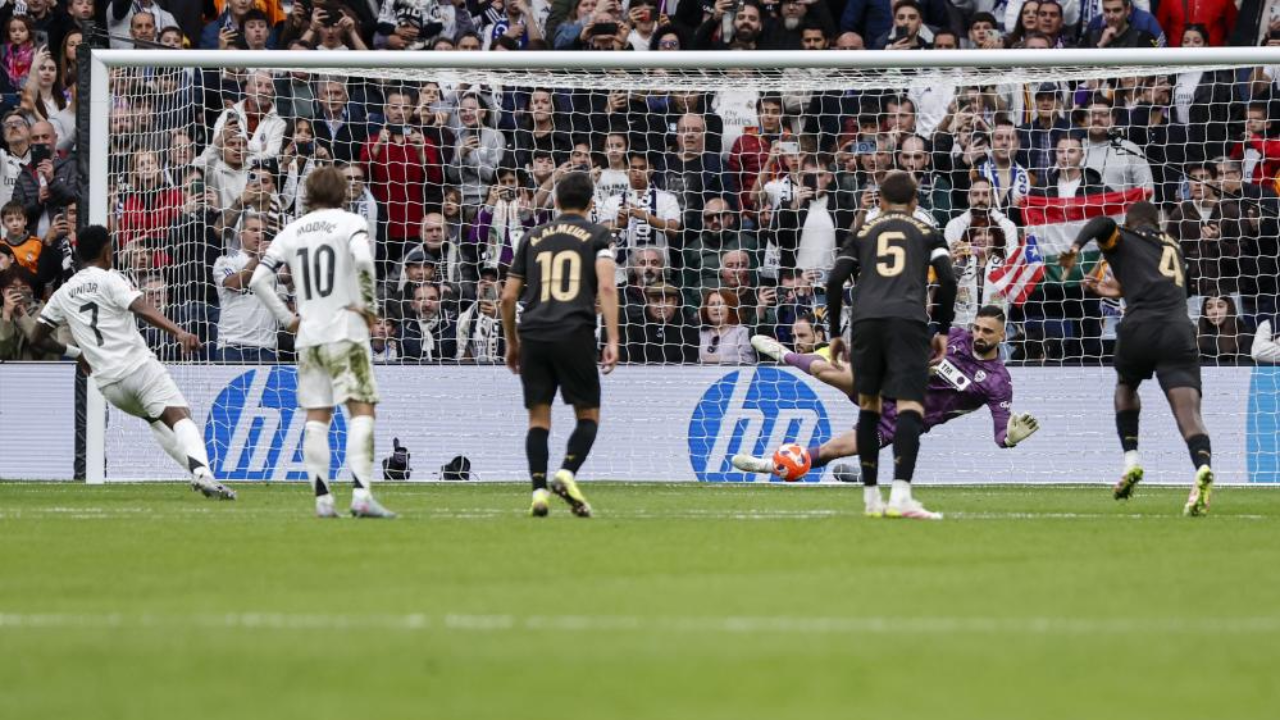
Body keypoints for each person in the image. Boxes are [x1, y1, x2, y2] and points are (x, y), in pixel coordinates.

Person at [28, 225, 235, 500]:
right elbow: (141, 307)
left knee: (155, 419)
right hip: (137, 367)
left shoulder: (64, 292)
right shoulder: (111, 278)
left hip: (109, 385)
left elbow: (36, 337)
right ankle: (201, 474)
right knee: (179, 415)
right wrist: (179, 332)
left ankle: (203, 476)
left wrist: (76, 354)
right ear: (107, 250)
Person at [739, 305, 1040, 480]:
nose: (978, 335)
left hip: (900, 420)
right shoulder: (957, 338)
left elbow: (1002, 435)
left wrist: (1010, 439)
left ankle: (768, 465)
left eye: (987, 331)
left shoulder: (998, 382)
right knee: (824, 372)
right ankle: (784, 355)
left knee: (833, 450)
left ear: (1003, 335)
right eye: (976, 328)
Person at [248, 166, 396, 519]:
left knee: (317, 417)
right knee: (362, 409)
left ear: (308, 195)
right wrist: (369, 307)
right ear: (342, 193)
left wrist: (288, 320)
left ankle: (323, 501)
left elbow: (257, 279)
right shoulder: (350, 223)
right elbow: (362, 258)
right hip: (346, 330)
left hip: (309, 335)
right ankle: (361, 495)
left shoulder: (291, 230)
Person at [1059, 200, 1214, 516]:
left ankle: (1131, 458)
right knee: (1188, 410)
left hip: (1141, 326)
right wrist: (1111, 291)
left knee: (1126, 388)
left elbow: (1102, 222)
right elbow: (1162, 288)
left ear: (1129, 224)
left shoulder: (1126, 237)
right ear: (1156, 221)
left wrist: (1075, 247)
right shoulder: (1173, 247)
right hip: (1179, 330)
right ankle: (1202, 468)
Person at [822, 171, 958, 520]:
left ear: (878, 201)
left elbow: (835, 279)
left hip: (866, 323)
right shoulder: (928, 231)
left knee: (869, 407)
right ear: (915, 203)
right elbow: (947, 278)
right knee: (910, 406)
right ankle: (901, 495)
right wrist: (942, 328)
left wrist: (836, 331)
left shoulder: (862, 232)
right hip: (908, 321)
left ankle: (871, 499)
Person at [500, 171, 619, 519]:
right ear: (591, 204)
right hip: (574, 332)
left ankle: (538, 492)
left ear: (554, 202)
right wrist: (612, 338)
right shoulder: (598, 234)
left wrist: (512, 342)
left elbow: (508, 297)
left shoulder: (532, 237)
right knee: (588, 414)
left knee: (538, 418)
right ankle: (566, 472)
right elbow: (608, 288)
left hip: (533, 333)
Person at [213, 213, 281, 363]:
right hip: (231, 346)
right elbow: (234, 284)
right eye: (254, 230)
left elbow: (289, 278)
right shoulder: (226, 261)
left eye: (263, 231)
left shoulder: (273, 264)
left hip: (266, 348)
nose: (259, 235)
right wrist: (259, 259)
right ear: (240, 234)